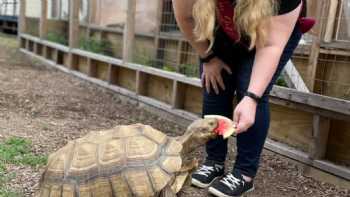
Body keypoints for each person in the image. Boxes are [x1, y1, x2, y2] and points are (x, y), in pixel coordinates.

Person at [172, 0, 311, 196]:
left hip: (270, 31)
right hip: (219, 23)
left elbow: (271, 45)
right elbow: (185, 17)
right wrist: (208, 59)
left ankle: (244, 173)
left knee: (250, 89)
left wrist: (252, 98)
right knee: (215, 87)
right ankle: (214, 161)